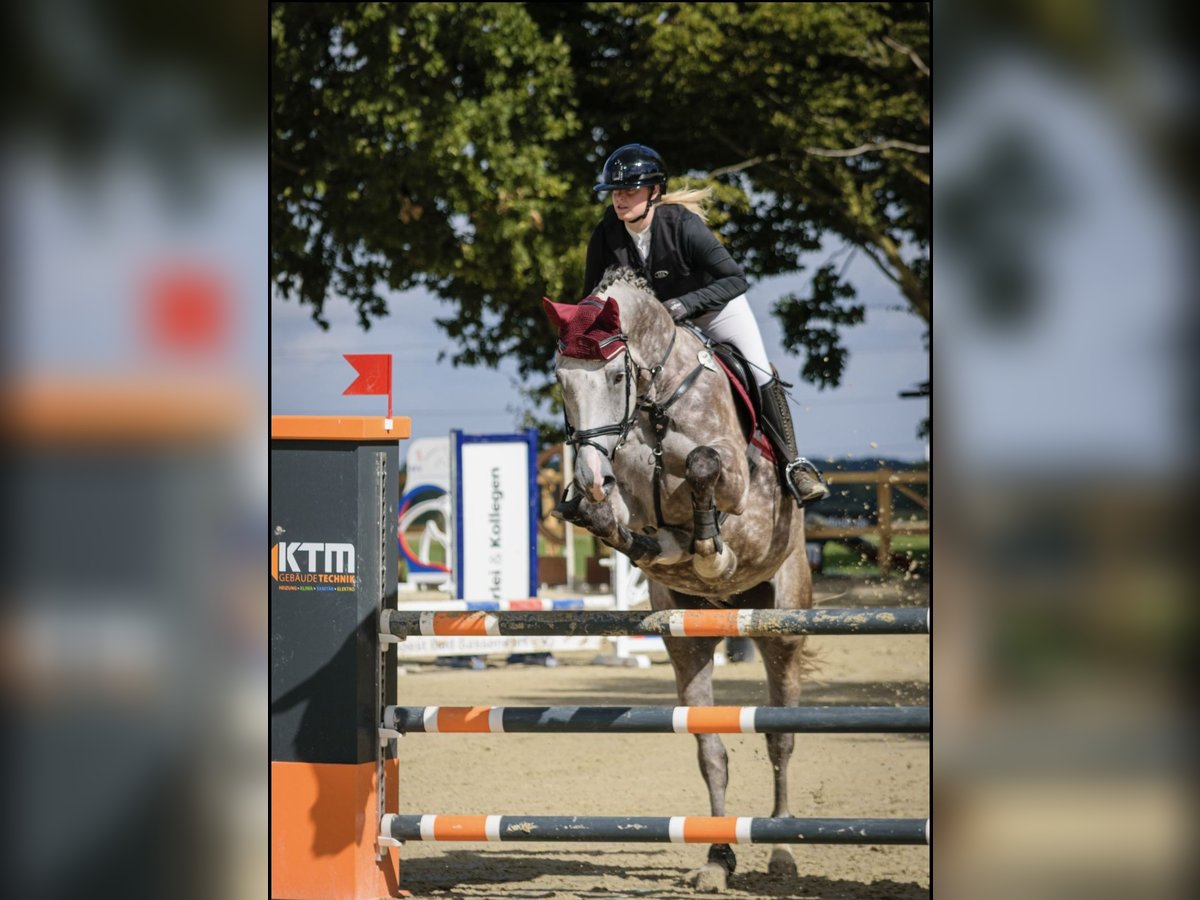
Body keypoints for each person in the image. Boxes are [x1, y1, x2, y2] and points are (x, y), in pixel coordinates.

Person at [558, 142, 829, 518]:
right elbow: (592, 298)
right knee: (603, 380)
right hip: (654, 331)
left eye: (629, 191)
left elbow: (735, 279)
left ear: (654, 192)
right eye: (615, 192)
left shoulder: (683, 225)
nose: (620, 199)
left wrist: (687, 305)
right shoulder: (606, 232)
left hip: (715, 311)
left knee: (758, 368)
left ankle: (793, 464)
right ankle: (590, 475)